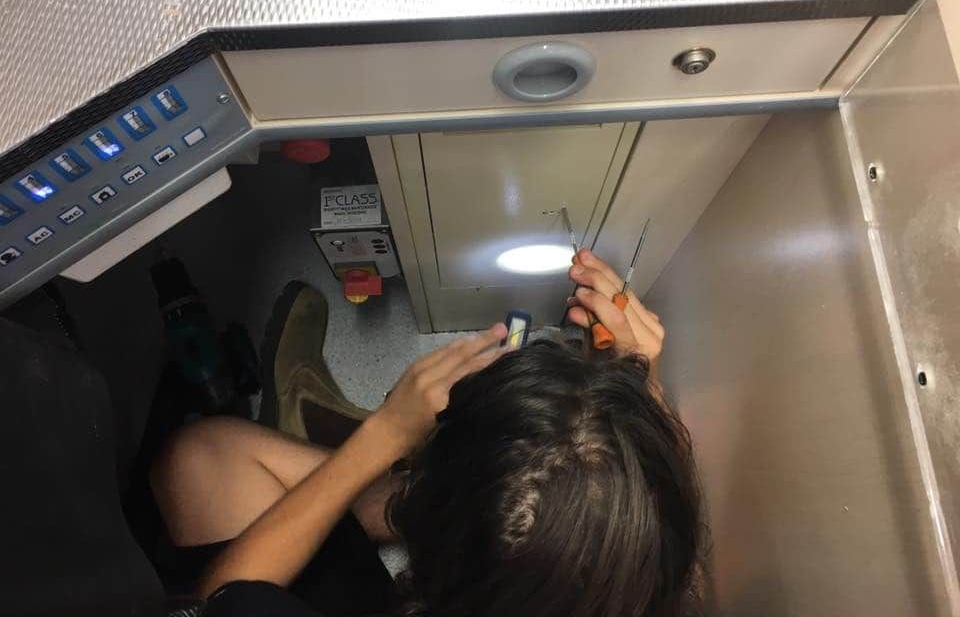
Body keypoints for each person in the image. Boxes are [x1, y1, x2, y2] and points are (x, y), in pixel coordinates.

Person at [150, 249, 704, 617]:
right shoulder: (646, 586)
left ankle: (337, 440)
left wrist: (384, 436)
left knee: (198, 458)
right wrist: (639, 389)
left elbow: (221, 603)